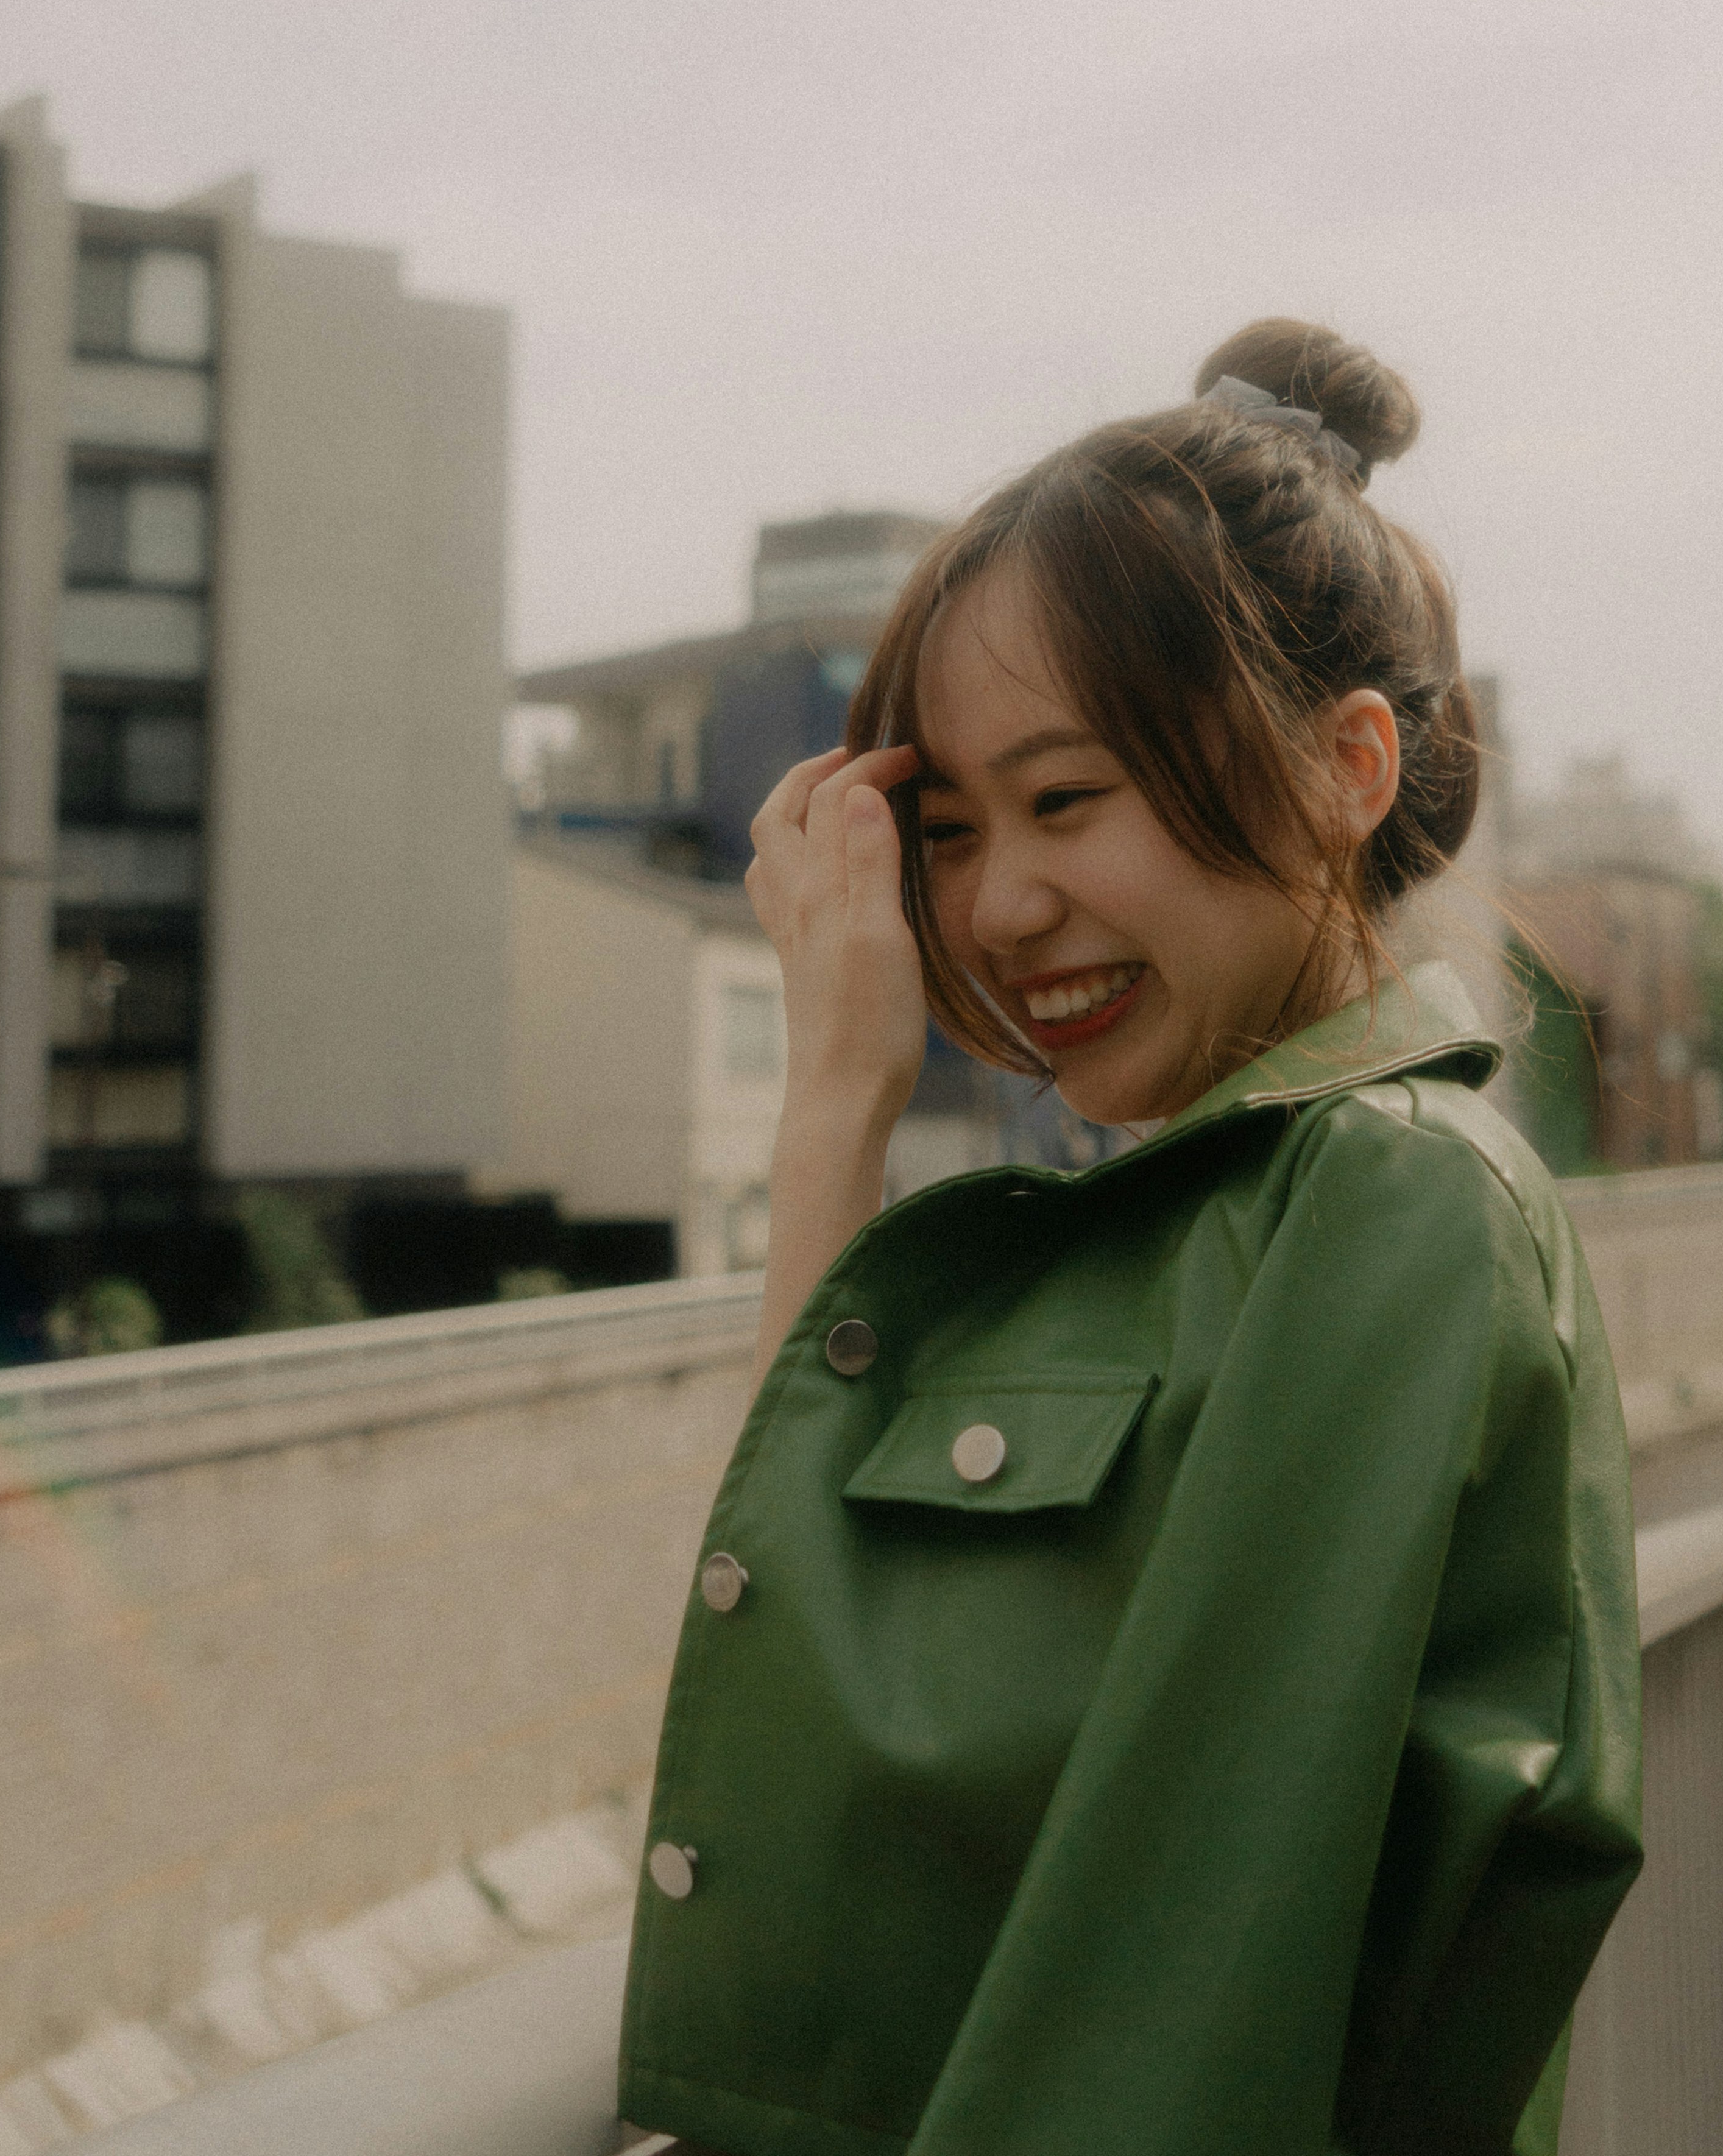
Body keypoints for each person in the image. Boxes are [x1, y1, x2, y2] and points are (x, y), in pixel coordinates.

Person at [617, 319, 1642, 2156]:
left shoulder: (1385, 1201)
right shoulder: (1204, 1214)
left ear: (1348, 768)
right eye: (946, 828)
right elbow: (810, 1670)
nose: (1000, 906)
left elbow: (1174, 1983)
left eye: (1068, 798)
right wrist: (837, 1099)